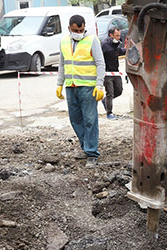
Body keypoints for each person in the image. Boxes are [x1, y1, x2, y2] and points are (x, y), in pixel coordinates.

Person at [56, 15, 106, 167]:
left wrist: (99, 85)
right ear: (69, 28)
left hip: (88, 87)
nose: (78, 32)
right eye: (75, 30)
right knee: (75, 119)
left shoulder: (92, 40)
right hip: (71, 86)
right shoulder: (64, 41)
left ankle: (92, 152)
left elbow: (100, 64)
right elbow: (62, 65)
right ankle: (85, 146)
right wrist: (59, 84)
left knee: (90, 120)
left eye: (81, 30)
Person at [100, 26, 125, 120]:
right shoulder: (104, 45)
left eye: (119, 35)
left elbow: (120, 51)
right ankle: (109, 113)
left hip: (115, 72)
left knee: (119, 91)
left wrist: (129, 50)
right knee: (110, 93)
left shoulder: (117, 44)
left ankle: (105, 101)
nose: (118, 38)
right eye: (116, 36)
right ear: (111, 35)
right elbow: (99, 58)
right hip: (107, 74)